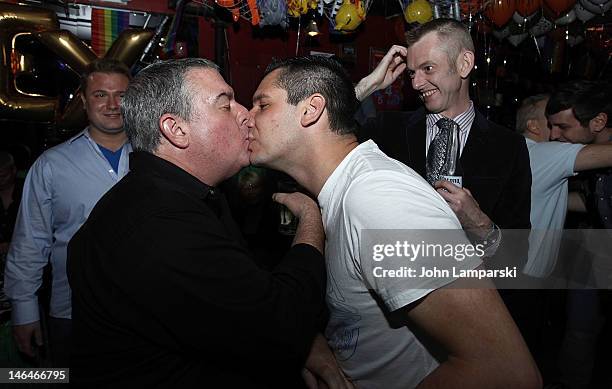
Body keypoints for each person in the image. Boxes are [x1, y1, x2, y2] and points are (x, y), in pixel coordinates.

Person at [248, 55, 541, 388]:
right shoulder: (342, 192)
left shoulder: (380, 199)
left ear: (311, 110)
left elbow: (505, 372)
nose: (247, 117)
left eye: (262, 105)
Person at [66, 58, 333, 388]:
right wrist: (311, 219)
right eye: (225, 104)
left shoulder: (183, 196)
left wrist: (309, 342)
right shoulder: (160, 226)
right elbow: (280, 327)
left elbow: (243, 296)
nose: (246, 114)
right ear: (176, 129)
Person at [354, 18, 532, 260]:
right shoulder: (386, 130)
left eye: (428, 68)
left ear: (464, 64)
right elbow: (322, 138)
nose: (416, 83)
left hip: (470, 290)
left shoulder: (509, 147)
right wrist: (367, 86)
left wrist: (479, 224)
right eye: (412, 73)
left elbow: (517, 255)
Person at [3, 58, 132, 367]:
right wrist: (24, 309)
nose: (113, 104)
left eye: (122, 95)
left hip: (145, 309)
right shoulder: (52, 165)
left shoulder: (158, 158)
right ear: (84, 101)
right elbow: (30, 242)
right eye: (101, 94)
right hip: (72, 313)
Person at [545, 80, 612, 389]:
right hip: (594, 247)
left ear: (598, 122)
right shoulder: (585, 157)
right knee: (579, 332)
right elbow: (592, 201)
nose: (554, 135)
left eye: (562, 127)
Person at [517, 94, 612, 277]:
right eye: (553, 123)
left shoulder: (522, 153)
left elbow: (550, 201)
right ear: (533, 125)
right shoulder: (547, 152)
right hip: (528, 277)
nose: (556, 132)